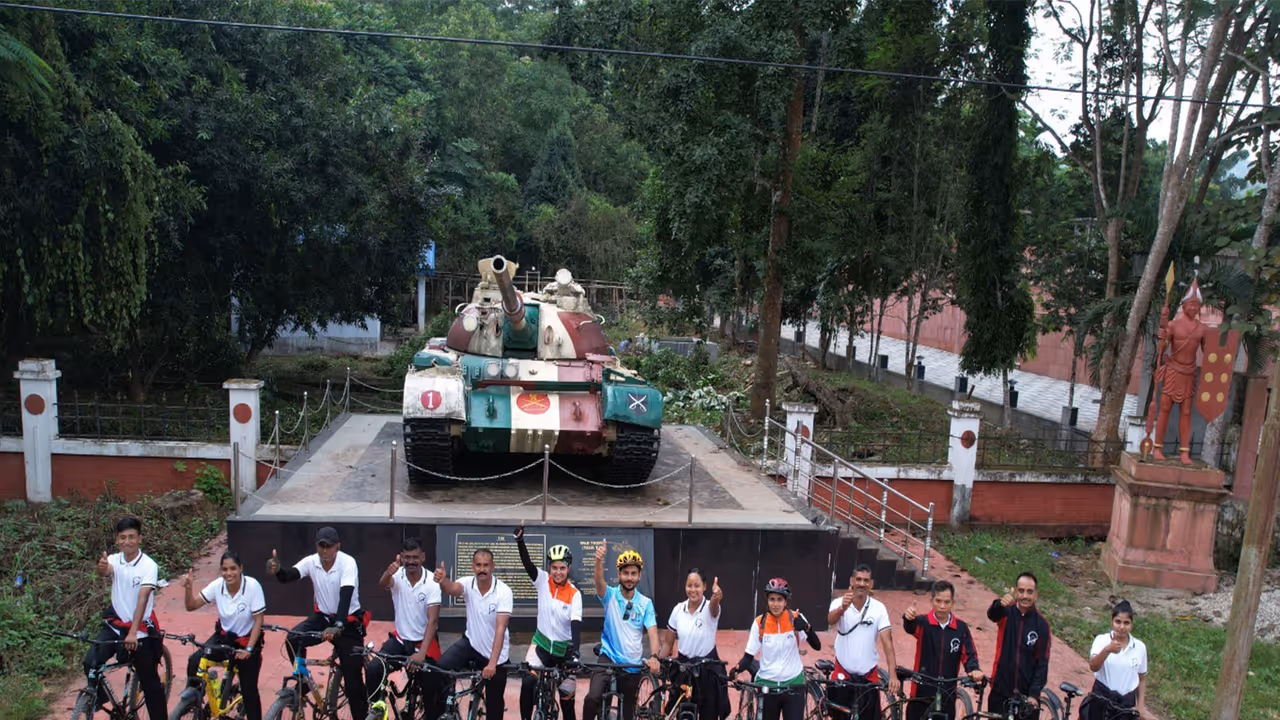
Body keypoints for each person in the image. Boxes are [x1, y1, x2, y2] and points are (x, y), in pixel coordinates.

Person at [266, 526, 371, 720]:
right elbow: (290, 576)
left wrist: (338, 626)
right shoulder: (312, 561)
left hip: (347, 622)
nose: (324, 551)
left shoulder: (348, 563)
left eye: (328, 546)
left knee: (353, 686)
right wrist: (278, 570)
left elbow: (345, 595)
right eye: (321, 546)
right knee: (293, 638)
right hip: (322, 618)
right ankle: (303, 681)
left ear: (337, 546)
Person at [86, 516, 167, 720]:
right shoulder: (114, 559)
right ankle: (104, 701)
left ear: (139, 538)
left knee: (150, 684)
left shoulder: (149, 565)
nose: (127, 541)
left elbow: (143, 598)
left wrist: (133, 632)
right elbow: (105, 571)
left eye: (131, 537)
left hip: (139, 629)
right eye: (122, 537)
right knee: (90, 662)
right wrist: (102, 568)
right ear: (117, 540)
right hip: (115, 625)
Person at [178, 550, 266, 720]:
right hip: (224, 637)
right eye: (224, 569)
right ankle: (195, 701)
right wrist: (188, 589)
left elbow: (258, 620)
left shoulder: (252, 586)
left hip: (247, 640)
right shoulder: (218, 585)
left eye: (233, 568)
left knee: (249, 692)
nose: (228, 573)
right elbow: (191, 606)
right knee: (195, 660)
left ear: (241, 568)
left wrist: (248, 649)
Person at [366, 537, 442, 720]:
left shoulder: (432, 582)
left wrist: (421, 654)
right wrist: (388, 572)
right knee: (375, 668)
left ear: (423, 557)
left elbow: (433, 622)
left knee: (434, 690)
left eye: (415, 557)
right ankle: (379, 708)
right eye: (407, 557)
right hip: (399, 642)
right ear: (401, 557)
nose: (411, 561)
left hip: (424, 644)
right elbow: (383, 583)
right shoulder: (397, 575)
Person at [583, 543, 662, 720]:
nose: (629, 578)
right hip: (608, 658)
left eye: (633, 574)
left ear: (639, 576)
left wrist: (655, 656)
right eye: (625, 573)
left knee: (628, 714)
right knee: (592, 699)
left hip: (632, 666)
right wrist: (598, 560)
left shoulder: (645, 603)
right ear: (618, 574)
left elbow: (653, 633)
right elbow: (598, 581)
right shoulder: (610, 596)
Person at [514, 523, 583, 720]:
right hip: (541, 646)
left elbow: (575, 624)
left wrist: (576, 651)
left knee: (567, 699)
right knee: (528, 683)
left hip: (564, 652)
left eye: (562, 568)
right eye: (554, 567)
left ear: (568, 568)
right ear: (549, 568)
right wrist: (520, 541)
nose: (558, 572)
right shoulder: (542, 581)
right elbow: (527, 564)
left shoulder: (574, 594)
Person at [435, 548, 513, 720]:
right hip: (471, 644)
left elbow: (500, 629)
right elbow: (453, 589)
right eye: (478, 565)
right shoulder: (468, 583)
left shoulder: (504, 591)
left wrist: (492, 664)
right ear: (473, 567)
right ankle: (448, 708)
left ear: (493, 566)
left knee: (494, 708)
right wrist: (443, 580)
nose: (482, 569)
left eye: (486, 565)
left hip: (496, 657)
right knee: (441, 667)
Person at [733, 578, 822, 720]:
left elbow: (817, 646)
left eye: (779, 600)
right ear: (767, 601)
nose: (775, 604)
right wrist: (736, 670)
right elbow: (748, 657)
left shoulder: (796, 619)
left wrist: (807, 628)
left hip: (794, 685)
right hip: (768, 686)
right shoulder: (759, 623)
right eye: (772, 599)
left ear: (786, 602)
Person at [901, 580, 983, 720]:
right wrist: (908, 618)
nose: (942, 606)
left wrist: (974, 669)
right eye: (938, 601)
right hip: (921, 689)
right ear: (931, 601)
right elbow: (910, 627)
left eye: (946, 602)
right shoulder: (923, 622)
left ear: (953, 602)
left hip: (948, 692)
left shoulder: (960, 628)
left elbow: (969, 653)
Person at [825, 565, 898, 720]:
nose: (862, 584)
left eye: (866, 580)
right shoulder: (839, 602)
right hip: (843, 672)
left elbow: (887, 643)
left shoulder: (879, 608)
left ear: (871, 584)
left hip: (868, 675)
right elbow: (830, 621)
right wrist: (842, 609)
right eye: (858, 579)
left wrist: (893, 675)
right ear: (852, 581)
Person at [1151, 278, 1211, 465]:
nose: (1193, 308)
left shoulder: (1203, 329)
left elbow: (1208, 352)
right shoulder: (1173, 325)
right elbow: (1163, 346)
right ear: (1184, 305)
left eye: (1196, 305)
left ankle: (1184, 451)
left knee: (1186, 412)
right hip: (1173, 371)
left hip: (1189, 373)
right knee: (1165, 409)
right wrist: (1162, 335)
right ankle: (1157, 447)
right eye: (1190, 304)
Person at [658, 568, 730, 720]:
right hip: (684, 669)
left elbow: (714, 607)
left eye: (697, 585)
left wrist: (717, 596)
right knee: (682, 713)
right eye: (689, 585)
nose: (693, 590)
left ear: (704, 586)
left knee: (708, 714)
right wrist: (658, 660)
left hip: (707, 669)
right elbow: (668, 643)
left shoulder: (710, 608)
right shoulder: (678, 610)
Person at [986, 572, 1051, 718]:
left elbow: (1042, 663)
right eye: (1021, 591)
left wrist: (1034, 695)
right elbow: (992, 614)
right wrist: (999, 603)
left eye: (1030, 592)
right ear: (1015, 591)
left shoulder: (1042, 625)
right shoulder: (1006, 613)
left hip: (1026, 697)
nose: (1025, 596)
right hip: (1000, 690)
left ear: (1036, 595)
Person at [1080, 601, 1147, 720]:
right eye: (1118, 622)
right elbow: (1093, 666)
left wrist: (1140, 705)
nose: (1122, 627)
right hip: (1102, 698)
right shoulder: (1102, 641)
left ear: (1132, 624)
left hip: (1126, 703)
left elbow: (1141, 678)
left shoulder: (1140, 647)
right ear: (1112, 621)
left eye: (1126, 623)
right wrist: (1107, 650)